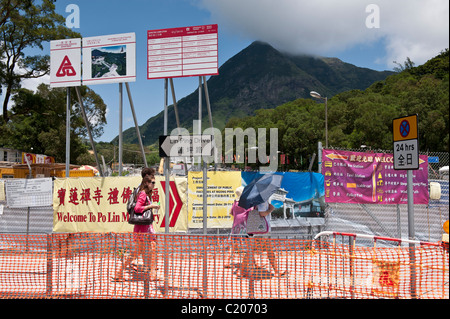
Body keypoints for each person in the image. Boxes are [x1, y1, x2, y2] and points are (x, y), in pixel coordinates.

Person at [113, 175, 160, 282]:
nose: (154, 185)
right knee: (138, 252)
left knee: (151, 249)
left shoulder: (145, 194)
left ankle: (152, 274)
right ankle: (119, 273)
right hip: (142, 229)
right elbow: (138, 209)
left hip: (145, 228)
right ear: (147, 183)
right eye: (152, 182)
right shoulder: (143, 194)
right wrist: (151, 206)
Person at [241, 200, 287, 278]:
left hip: (263, 230)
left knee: (268, 250)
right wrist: (271, 209)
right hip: (262, 231)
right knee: (252, 250)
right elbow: (262, 213)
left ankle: (277, 271)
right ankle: (241, 271)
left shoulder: (261, 200)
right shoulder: (262, 201)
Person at [224, 186, 251, 268]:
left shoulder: (235, 202)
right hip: (244, 225)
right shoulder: (246, 202)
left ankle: (227, 261)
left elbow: (231, 212)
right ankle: (250, 262)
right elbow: (251, 211)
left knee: (233, 243)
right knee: (249, 244)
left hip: (235, 225)